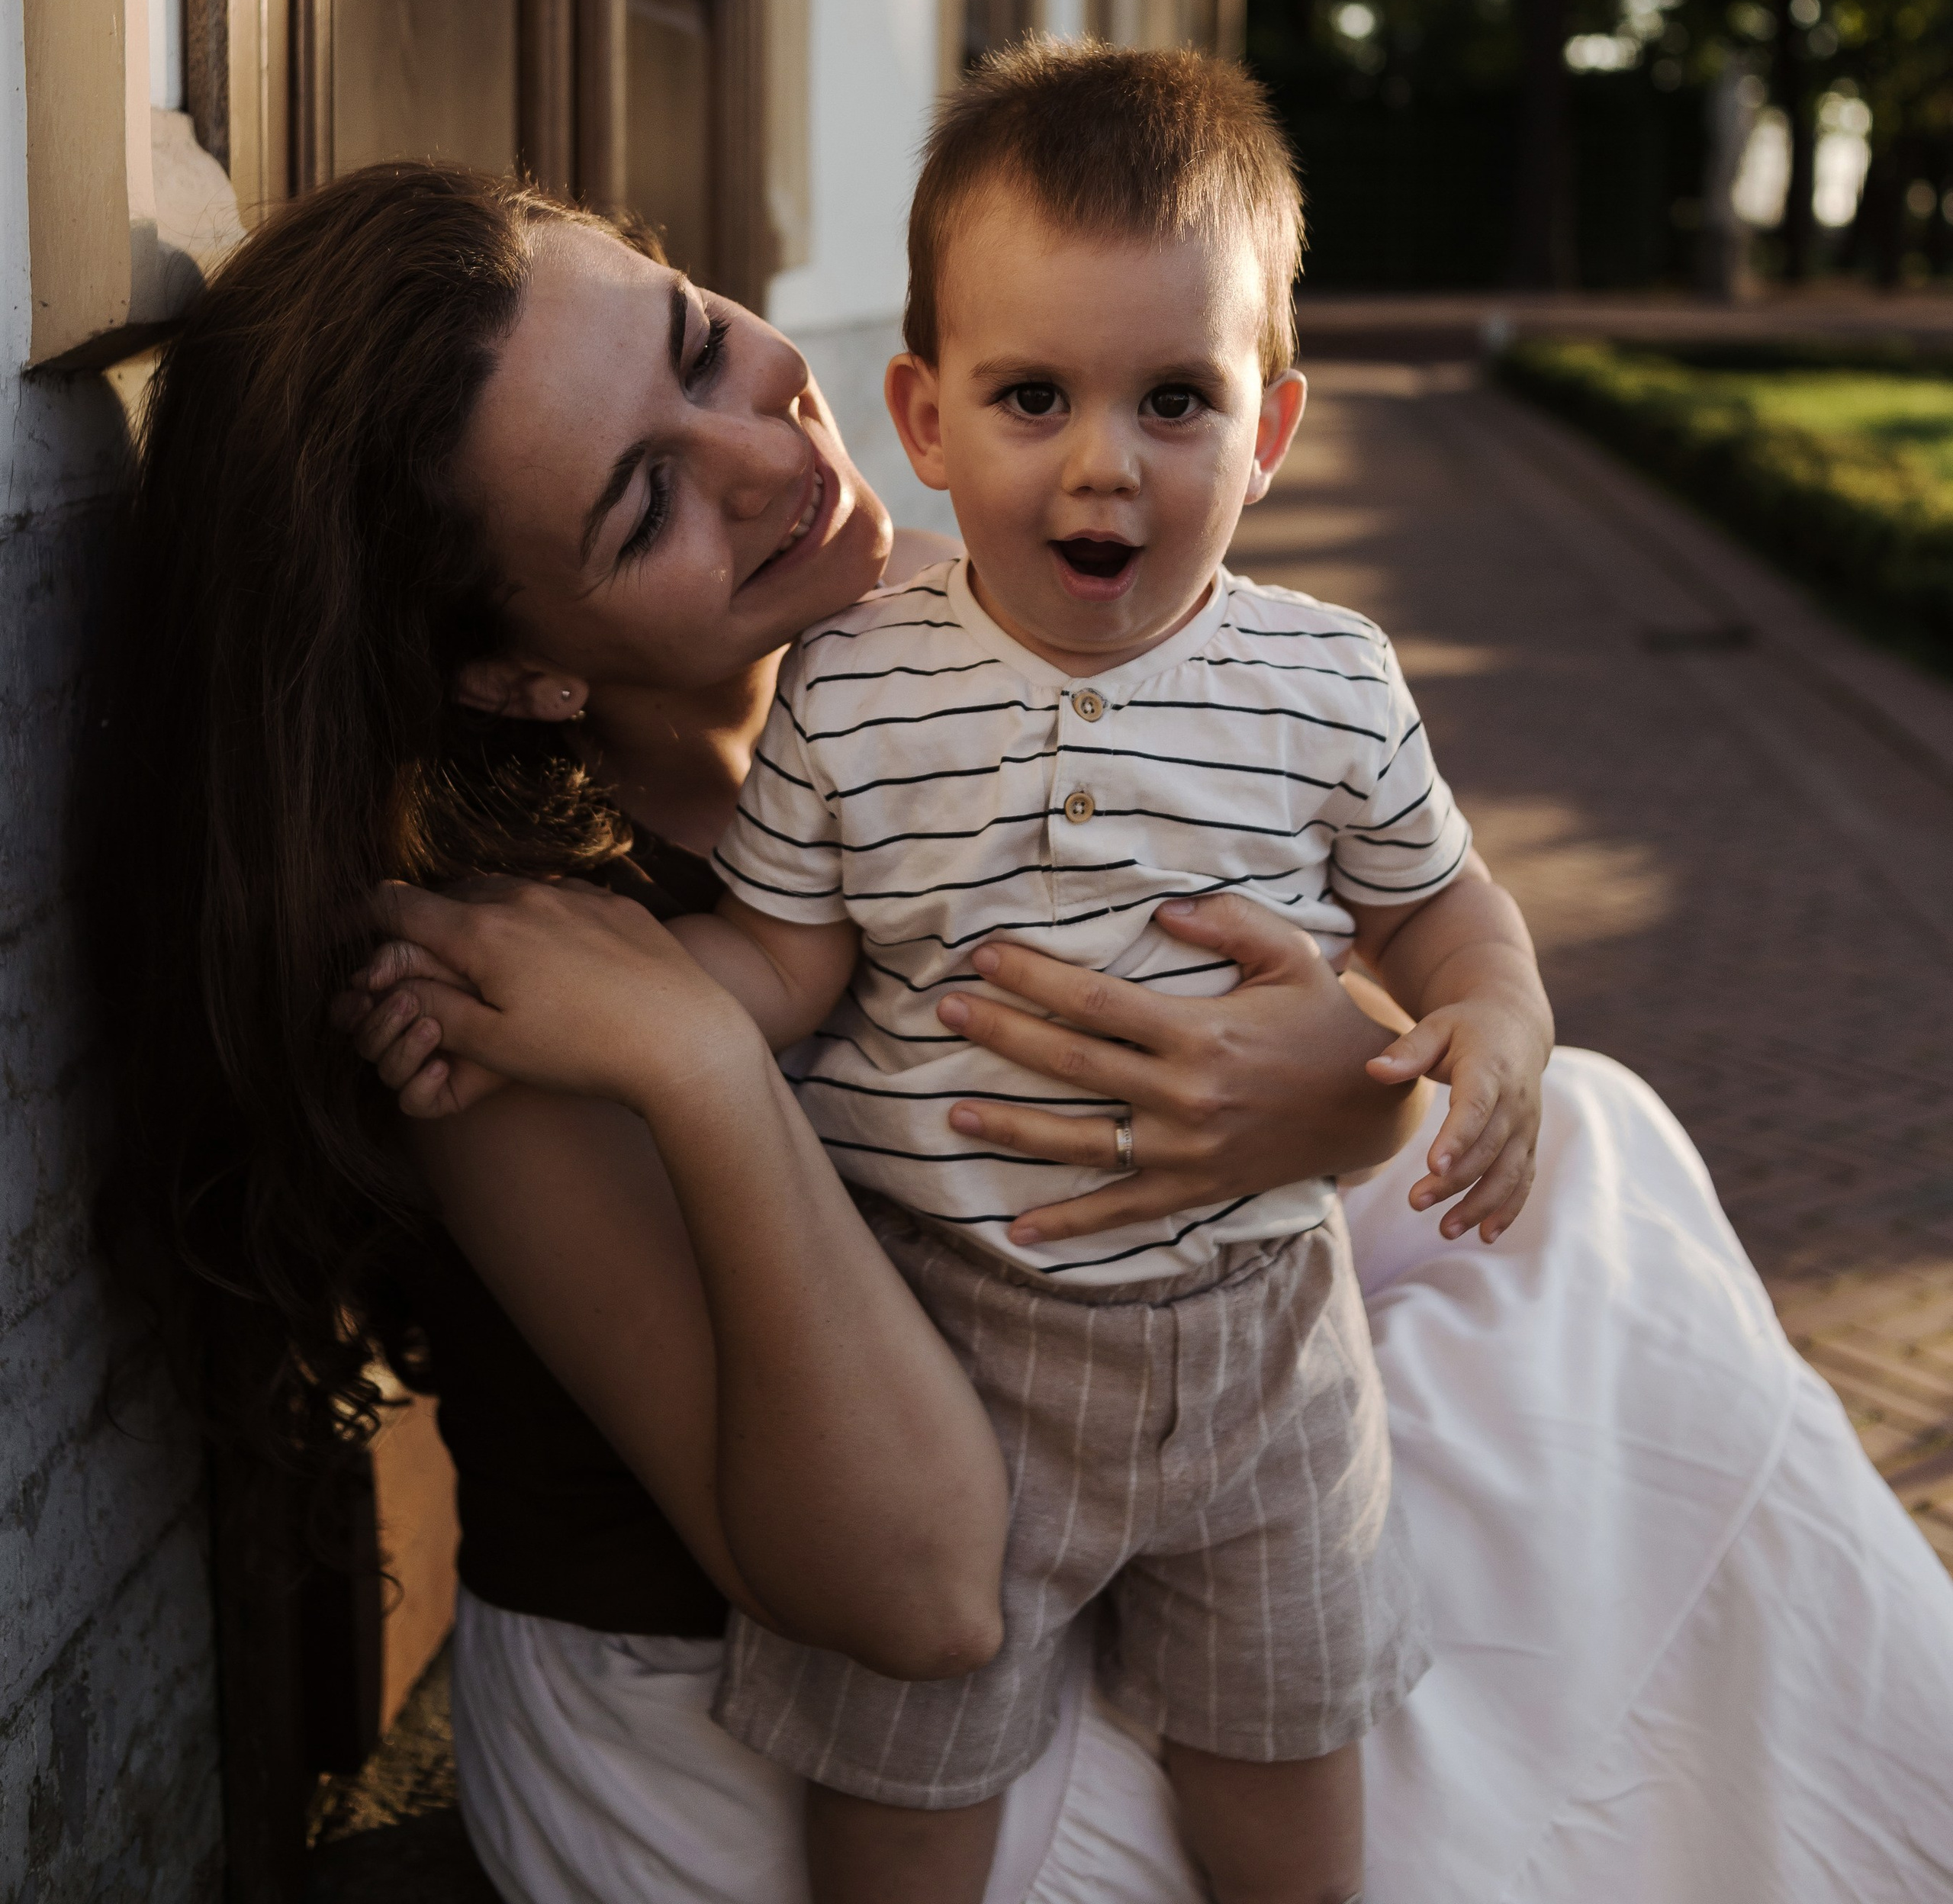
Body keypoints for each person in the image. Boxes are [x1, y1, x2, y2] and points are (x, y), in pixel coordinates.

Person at [106, 162, 1953, 1904]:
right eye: (643, 501)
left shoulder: (917, 633)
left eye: (696, 341)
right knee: (1605, 1452)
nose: (766, 451)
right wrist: (695, 1063)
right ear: (519, 670)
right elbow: (911, 1598)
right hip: (768, 1742)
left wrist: (1338, 1105)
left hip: (1067, 1492)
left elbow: (1306, 968)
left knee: (1591, 1171)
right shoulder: (512, 992)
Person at [640, 42, 1553, 1904]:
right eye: (1033, 394)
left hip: (1261, 1341)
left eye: (1173, 402)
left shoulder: (1326, 679)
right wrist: (627, 990)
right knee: (901, 1763)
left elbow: (1443, 909)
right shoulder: (857, 684)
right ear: (926, 410)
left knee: (1284, 1745)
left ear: (1267, 431)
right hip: (941, 1328)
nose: (1100, 464)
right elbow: (780, 965)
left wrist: (1496, 1021)